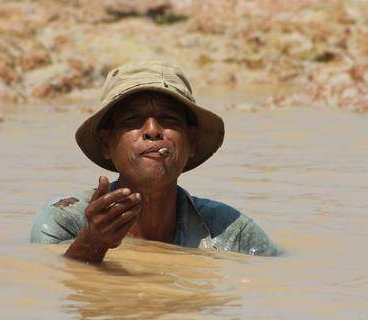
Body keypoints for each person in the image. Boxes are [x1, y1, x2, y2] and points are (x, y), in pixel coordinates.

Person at [30, 61, 281, 262]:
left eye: (169, 119)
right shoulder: (64, 220)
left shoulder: (231, 231)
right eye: (132, 120)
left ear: (191, 141)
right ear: (106, 143)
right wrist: (91, 244)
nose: (152, 131)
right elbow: (53, 284)